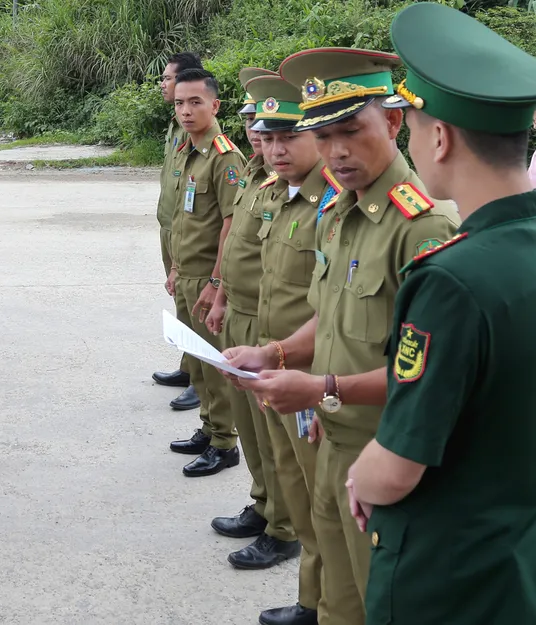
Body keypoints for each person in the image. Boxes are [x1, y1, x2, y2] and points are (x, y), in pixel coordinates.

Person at [225, 48, 460, 625]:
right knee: (337, 602)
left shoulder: (423, 229)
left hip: (385, 456)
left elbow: (433, 376)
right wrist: (276, 352)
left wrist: (320, 386)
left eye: (351, 131)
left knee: (382, 604)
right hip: (330, 439)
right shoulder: (341, 212)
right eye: (324, 137)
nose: (337, 152)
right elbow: (329, 318)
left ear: (395, 122)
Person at [347, 4, 536, 623]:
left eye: (412, 123)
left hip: (454, 577)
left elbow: (397, 469)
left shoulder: (453, 279)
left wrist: (361, 476)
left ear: (440, 136)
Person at [236, 73, 332, 625]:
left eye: (288, 137)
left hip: (312, 379)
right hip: (277, 366)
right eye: (268, 137)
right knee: (291, 483)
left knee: (318, 500)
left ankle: (320, 602)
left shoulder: (332, 205)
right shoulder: (282, 194)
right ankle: (311, 599)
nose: (274, 148)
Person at [206, 67, 300, 572]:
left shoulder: (311, 196)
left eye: (280, 135)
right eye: (263, 134)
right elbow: (239, 247)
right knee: (252, 432)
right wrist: (220, 295)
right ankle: (264, 505)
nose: (263, 142)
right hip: (243, 317)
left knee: (277, 439)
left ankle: (283, 529)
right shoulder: (262, 183)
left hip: (279, 335)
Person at [166, 67, 246, 477]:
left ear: (215, 105)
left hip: (208, 279)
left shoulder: (225, 157)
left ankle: (224, 443)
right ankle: (208, 428)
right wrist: (176, 268)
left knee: (214, 368)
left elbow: (232, 224)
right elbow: (184, 218)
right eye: (180, 102)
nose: (186, 110)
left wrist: (217, 283)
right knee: (195, 364)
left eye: (195, 102)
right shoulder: (186, 150)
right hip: (187, 275)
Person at [152, 51, 204, 414]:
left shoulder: (200, 132)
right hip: (170, 226)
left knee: (194, 307)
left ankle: (203, 383)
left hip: (189, 232)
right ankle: (189, 368)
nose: (163, 85)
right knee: (180, 301)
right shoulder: (175, 125)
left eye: (167, 78)